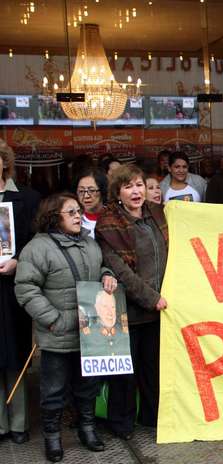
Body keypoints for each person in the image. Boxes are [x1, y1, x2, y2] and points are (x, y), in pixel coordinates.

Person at [15, 192, 116, 462]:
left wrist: (107, 276)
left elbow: (101, 268)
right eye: (71, 212)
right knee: (53, 391)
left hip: (88, 332)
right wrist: (53, 319)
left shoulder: (89, 243)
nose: (78, 216)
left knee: (87, 386)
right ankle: (52, 438)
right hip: (57, 334)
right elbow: (26, 288)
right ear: (53, 217)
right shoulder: (38, 248)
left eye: (78, 211)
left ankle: (87, 429)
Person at [95, 165, 168, 439]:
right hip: (129, 309)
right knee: (125, 372)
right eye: (128, 187)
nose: (136, 191)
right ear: (117, 193)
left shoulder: (158, 213)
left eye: (139, 185)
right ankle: (122, 423)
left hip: (161, 309)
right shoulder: (108, 224)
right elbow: (121, 272)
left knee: (153, 368)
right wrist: (152, 298)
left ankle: (151, 416)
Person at [0, 140, 39, 445]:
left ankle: (18, 423)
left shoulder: (27, 197)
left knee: (15, 354)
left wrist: (18, 260)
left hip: (14, 288)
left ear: (4, 161)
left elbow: (36, 239)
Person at [80, 290, 130, 358]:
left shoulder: (123, 333)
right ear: (97, 308)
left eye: (113, 307)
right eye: (105, 306)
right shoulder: (88, 336)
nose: (110, 312)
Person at [73, 168, 107, 238]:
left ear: (102, 191)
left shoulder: (115, 216)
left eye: (91, 190)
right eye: (81, 191)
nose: (86, 196)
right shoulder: (73, 221)